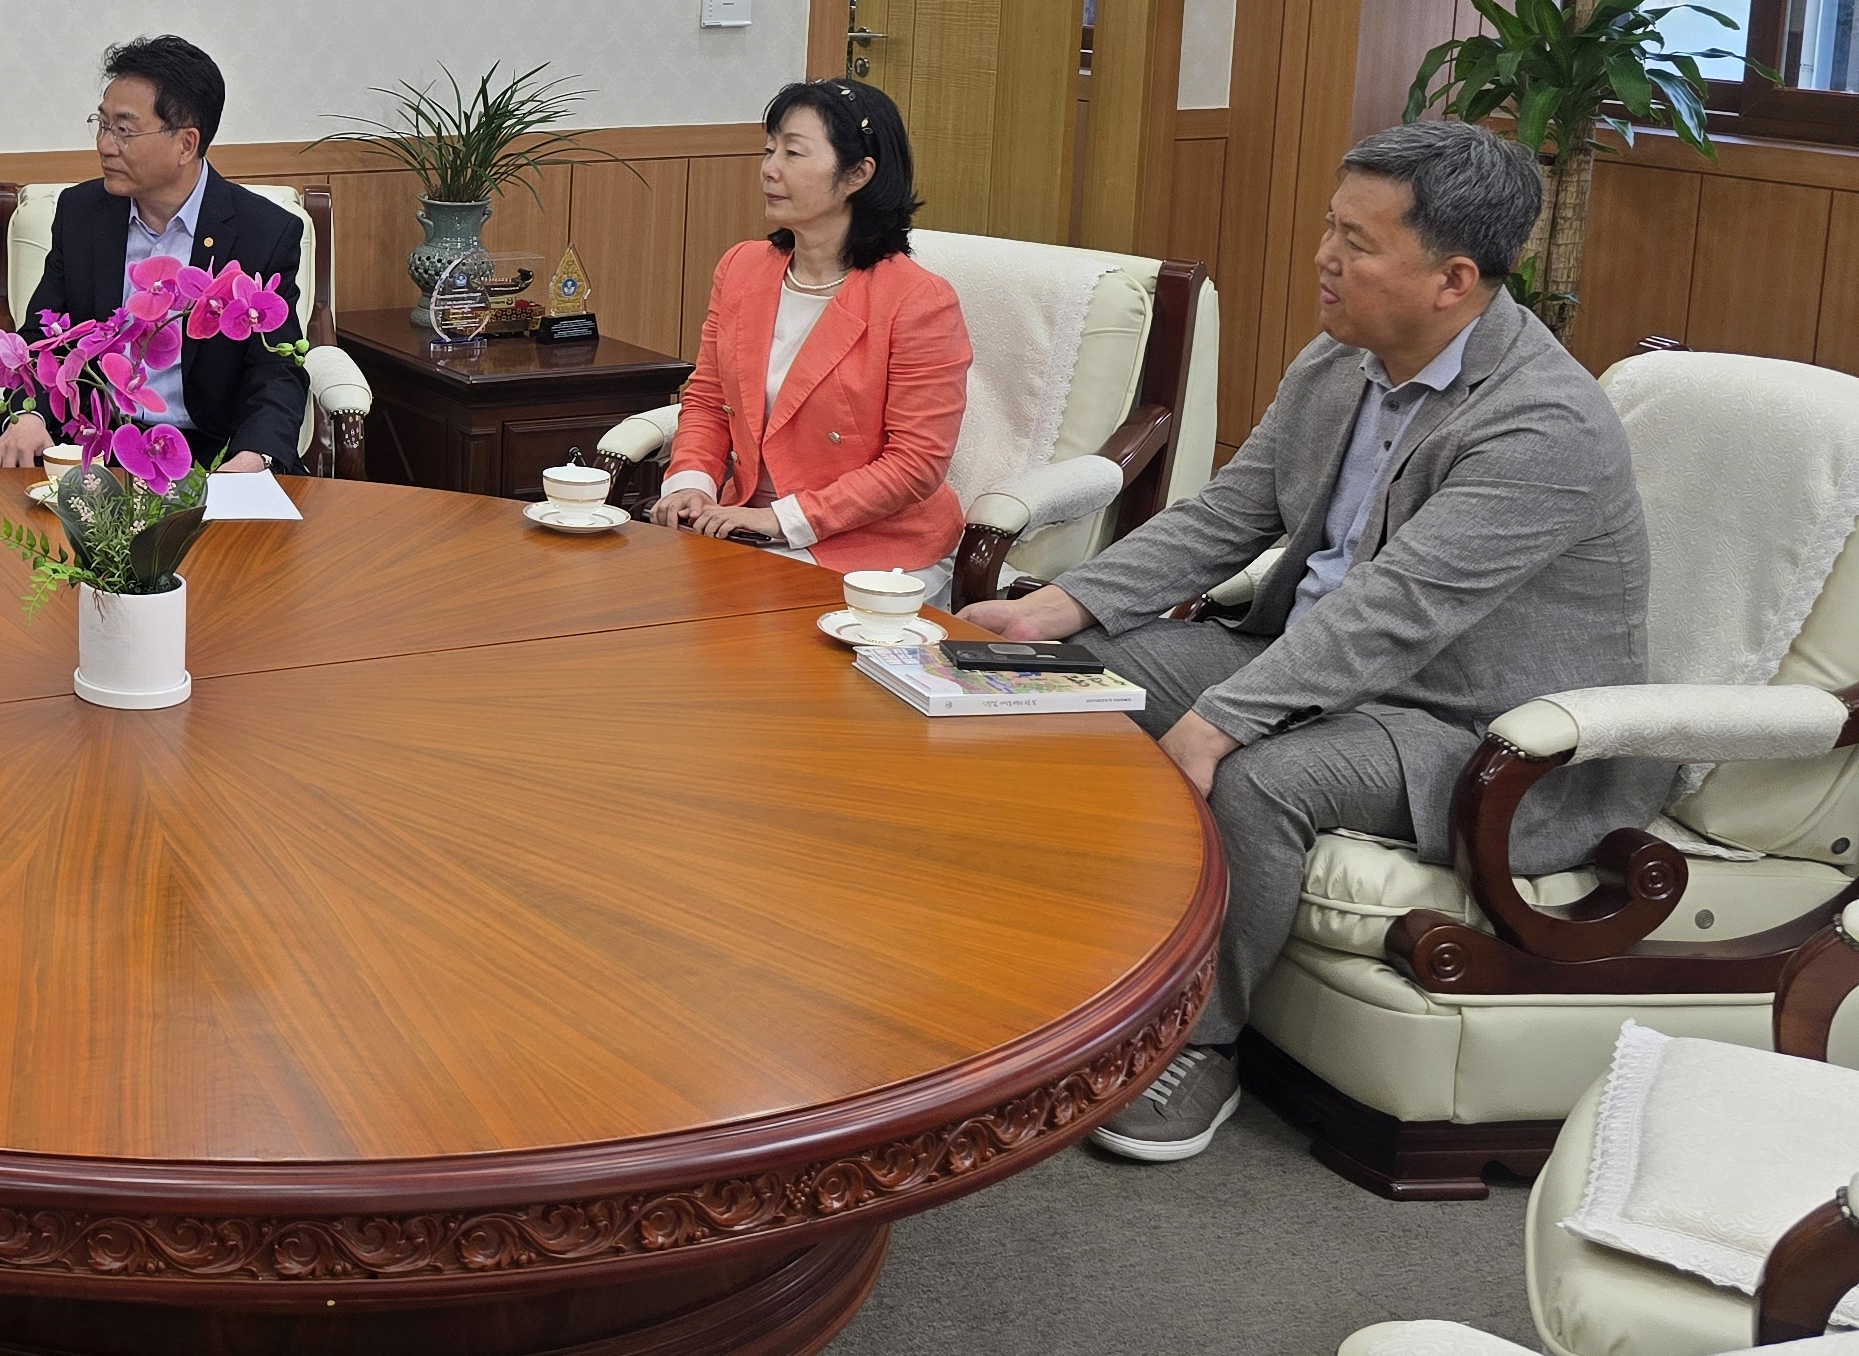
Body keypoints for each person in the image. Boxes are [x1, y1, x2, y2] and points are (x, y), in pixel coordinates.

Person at [956, 119, 1659, 1165]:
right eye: (1330, 226)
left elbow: (1396, 612)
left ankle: (1199, 1044)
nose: (1324, 256)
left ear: (1453, 279)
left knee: (1260, 780)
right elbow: (1227, 514)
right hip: (1315, 661)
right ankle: (1065, 966)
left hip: (1474, 722)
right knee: (1055, 677)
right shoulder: (1342, 356)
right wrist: (1057, 610)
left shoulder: (1541, 422)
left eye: (1357, 242)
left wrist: (1218, 723)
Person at [650, 78, 970, 594]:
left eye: (793, 153)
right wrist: (692, 483)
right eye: (769, 149)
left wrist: (782, 520)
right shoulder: (742, 267)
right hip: (739, 527)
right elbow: (709, 400)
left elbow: (915, 464)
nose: (769, 169)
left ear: (859, 173)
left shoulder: (918, 301)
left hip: (871, 549)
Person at [0, 35, 309, 474]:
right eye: (102, 124)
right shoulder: (81, 214)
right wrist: (31, 416)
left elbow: (276, 370)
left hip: (212, 457)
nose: (104, 145)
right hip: (94, 451)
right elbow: (44, 339)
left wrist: (254, 456)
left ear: (186, 144)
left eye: (124, 130)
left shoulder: (263, 232)